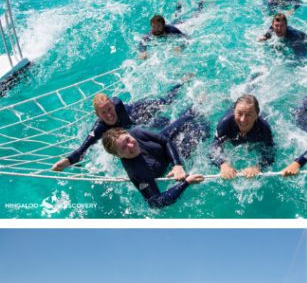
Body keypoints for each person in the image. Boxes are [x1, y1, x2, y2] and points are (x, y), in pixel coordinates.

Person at [52, 77, 192, 171]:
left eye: (109, 109)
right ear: (97, 115)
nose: (109, 115)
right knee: (170, 125)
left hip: (139, 111)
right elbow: (83, 147)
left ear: (113, 105)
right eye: (103, 113)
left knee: (167, 102)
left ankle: (182, 82)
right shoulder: (100, 127)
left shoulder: (119, 105)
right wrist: (67, 161)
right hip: (138, 125)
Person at [101, 103, 209, 208]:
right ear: (118, 155)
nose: (130, 146)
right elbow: (156, 202)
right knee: (201, 129)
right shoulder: (136, 173)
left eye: (128, 139)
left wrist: (177, 164)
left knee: (187, 117)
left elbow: (166, 141)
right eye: (123, 147)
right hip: (171, 156)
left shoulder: (136, 132)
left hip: (164, 142)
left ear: (128, 134)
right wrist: (186, 183)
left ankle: (199, 100)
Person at [208, 94, 276, 179]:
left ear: (256, 115)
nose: (243, 119)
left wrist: (257, 168)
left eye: (248, 115)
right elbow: (213, 148)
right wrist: (223, 164)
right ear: (234, 112)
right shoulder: (225, 123)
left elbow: (270, 155)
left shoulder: (263, 128)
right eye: (239, 113)